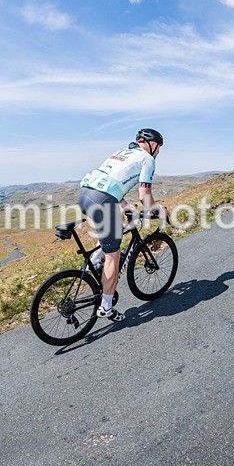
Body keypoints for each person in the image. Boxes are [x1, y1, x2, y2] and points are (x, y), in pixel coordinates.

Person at [78, 128, 165, 322]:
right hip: (102, 200)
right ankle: (106, 307)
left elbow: (112, 184)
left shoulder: (120, 152)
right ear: (152, 145)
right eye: (159, 148)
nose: (158, 152)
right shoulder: (148, 159)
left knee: (115, 229)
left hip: (85, 193)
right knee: (113, 256)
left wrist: (127, 207)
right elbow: (144, 196)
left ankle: (95, 259)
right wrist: (156, 210)